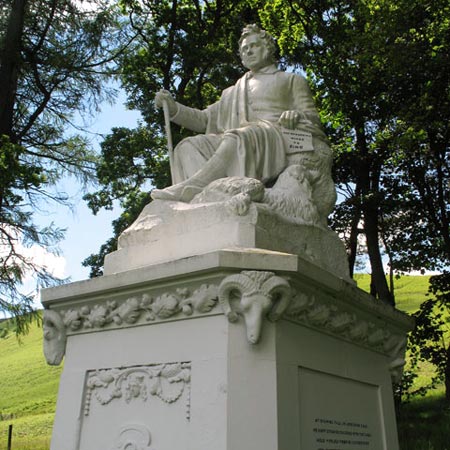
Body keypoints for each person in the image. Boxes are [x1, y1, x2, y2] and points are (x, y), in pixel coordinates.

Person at [151, 24, 330, 203]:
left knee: (238, 137)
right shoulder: (231, 92)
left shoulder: (291, 80)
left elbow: (312, 116)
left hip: (274, 139)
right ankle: (207, 198)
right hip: (236, 141)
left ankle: (193, 188)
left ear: (267, 48)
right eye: (244, 49)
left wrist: (296, 116)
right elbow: (204, 120)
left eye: (253, 46)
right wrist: (174, 108)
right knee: (188, 146)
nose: (248, 52)